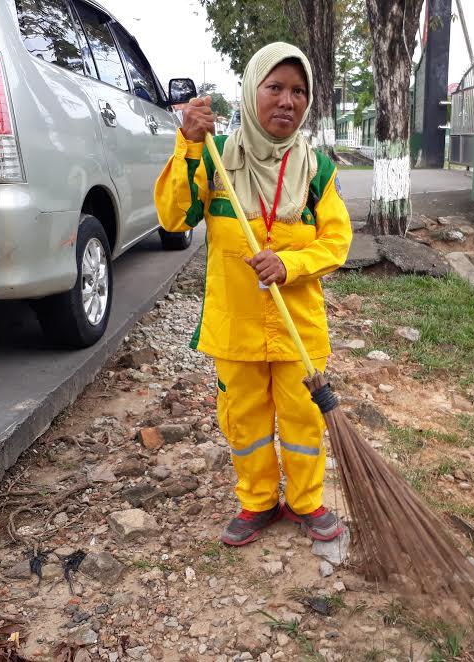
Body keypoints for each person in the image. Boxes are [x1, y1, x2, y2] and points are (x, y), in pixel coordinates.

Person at [154, 42, 353, 546]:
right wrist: (188, 144)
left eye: (299, 91)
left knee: (304, 419)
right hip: (235, 327)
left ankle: (306, 501)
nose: (288, 101)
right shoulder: (216, 159)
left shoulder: (316, 171)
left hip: (299, 330)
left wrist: (290, 264)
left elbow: (337, 242)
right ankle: (258, 501)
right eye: (276, 88)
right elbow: (174, 218)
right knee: (246, 422)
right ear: (251, 91)